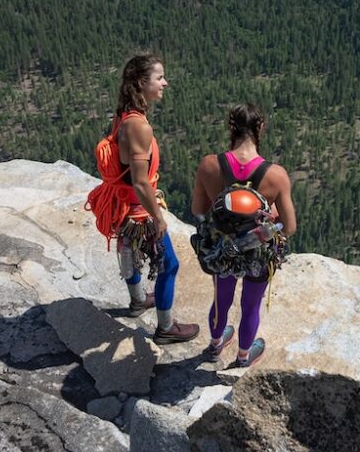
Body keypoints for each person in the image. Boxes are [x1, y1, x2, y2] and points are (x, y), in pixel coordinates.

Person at [191, 103, 296, 367]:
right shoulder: (276, 175)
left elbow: (198, 210)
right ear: (260, 128)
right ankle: (244, 356)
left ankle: (216, 344)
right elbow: (290, 226)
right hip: (258, 253)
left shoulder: (209, 165)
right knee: (250, 306)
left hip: (223, 249)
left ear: (230, 127)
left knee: (221, 300)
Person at [112, 54, 199, 344]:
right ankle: (165, 327)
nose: (165, 82)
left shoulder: (125, 116)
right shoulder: (140, 126)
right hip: (138, 211)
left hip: (122, 206)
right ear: (142, 82)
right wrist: (158, 218)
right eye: (159, 77)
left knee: (130, 252)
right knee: (169, 265)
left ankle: (138, 301)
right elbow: (139, 181)